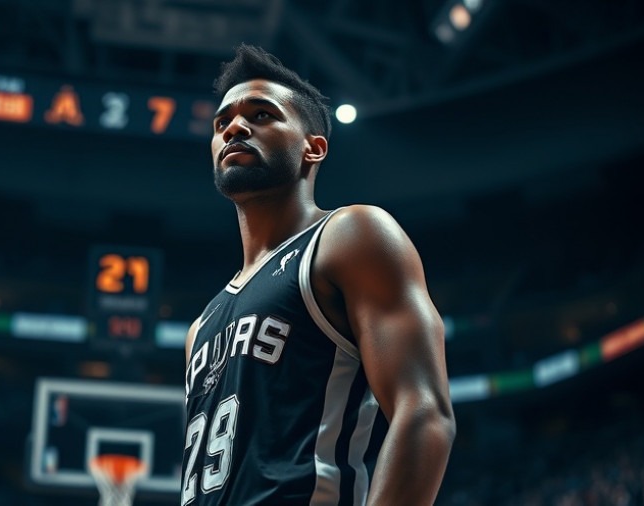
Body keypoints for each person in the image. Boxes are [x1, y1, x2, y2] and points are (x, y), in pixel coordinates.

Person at [182, 44, 455, 506]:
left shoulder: (352, 235)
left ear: (313, 148)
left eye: (263, 115)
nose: (234, 127)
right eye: (221, 122)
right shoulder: (200, 327)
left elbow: (424, 414)